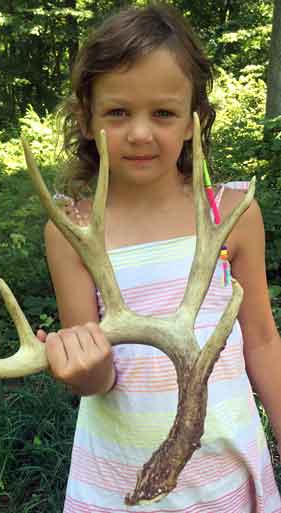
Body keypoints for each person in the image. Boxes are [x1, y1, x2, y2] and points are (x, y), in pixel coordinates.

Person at [37, 4, 281, 511]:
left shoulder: (233, 214)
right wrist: (79, 365)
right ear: (85, 119)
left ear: (194, 122)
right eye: (118, 112)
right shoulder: (71, 232)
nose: (141, 133)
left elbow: (261, 341)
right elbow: (96, 379)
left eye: (163, 113)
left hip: (226, 476)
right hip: (120, 482)